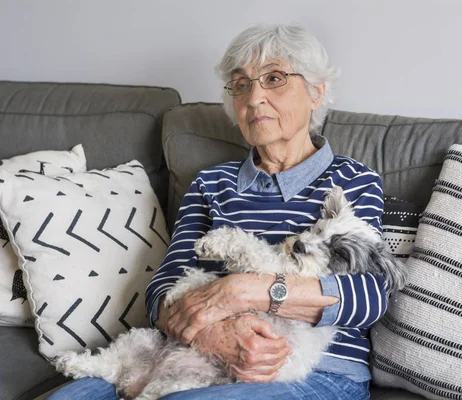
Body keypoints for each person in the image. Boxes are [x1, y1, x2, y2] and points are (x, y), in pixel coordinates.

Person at [48, 24, 389, 400]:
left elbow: (370, 296)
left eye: (274, 78)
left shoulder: (353, 180)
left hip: (314, 374)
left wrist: (247, 291)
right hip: (189, 357)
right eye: (241, 85)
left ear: (316, 92)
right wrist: (212, 335)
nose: (254, 98)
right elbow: (160, 291)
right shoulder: (211, 184)